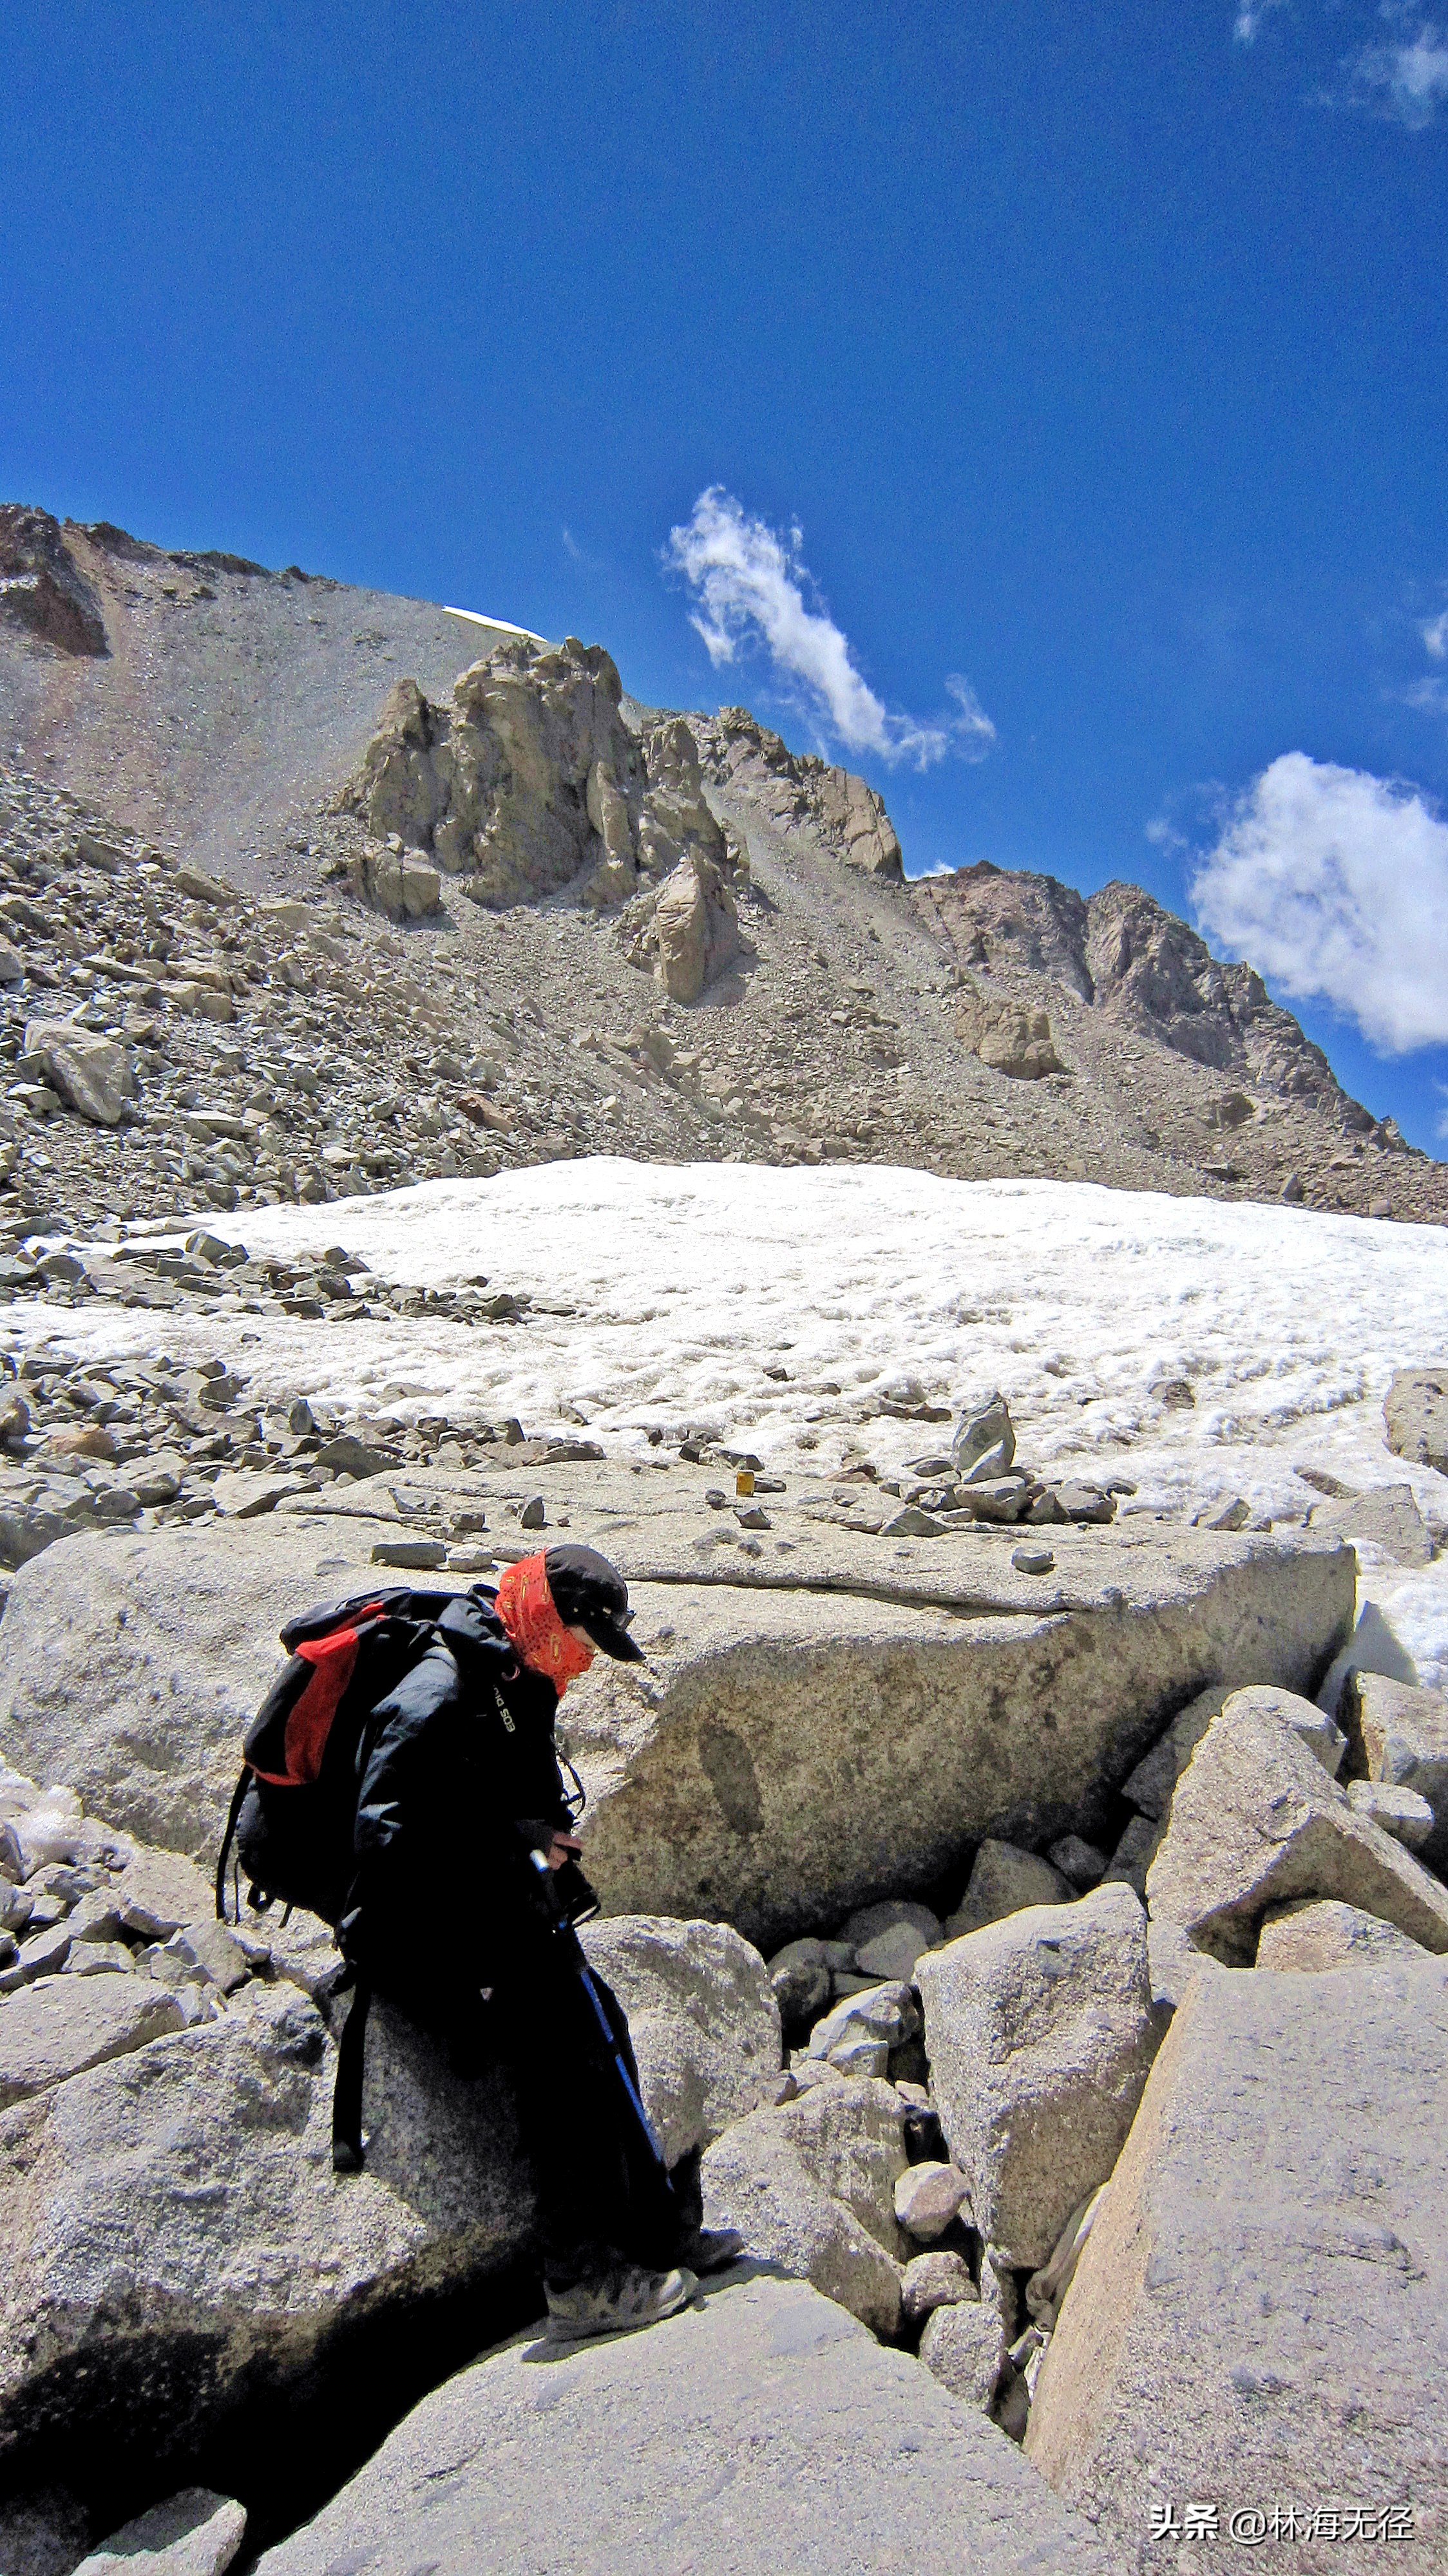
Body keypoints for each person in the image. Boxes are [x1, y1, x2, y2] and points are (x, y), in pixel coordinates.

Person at [334, 1540, 741, 2340]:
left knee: (604, 2028)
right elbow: (385, 1837)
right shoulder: (441, 1683)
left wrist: (535, 1838)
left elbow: (488, 1792)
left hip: (492, 1897)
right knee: (557, 2058)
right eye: (584, 1645)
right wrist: (507, 1837)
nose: (586, 1665)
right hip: (419, 1927)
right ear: (549, 1618)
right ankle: (577, 2281)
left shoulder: (520, 1668)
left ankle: (653, 2231)